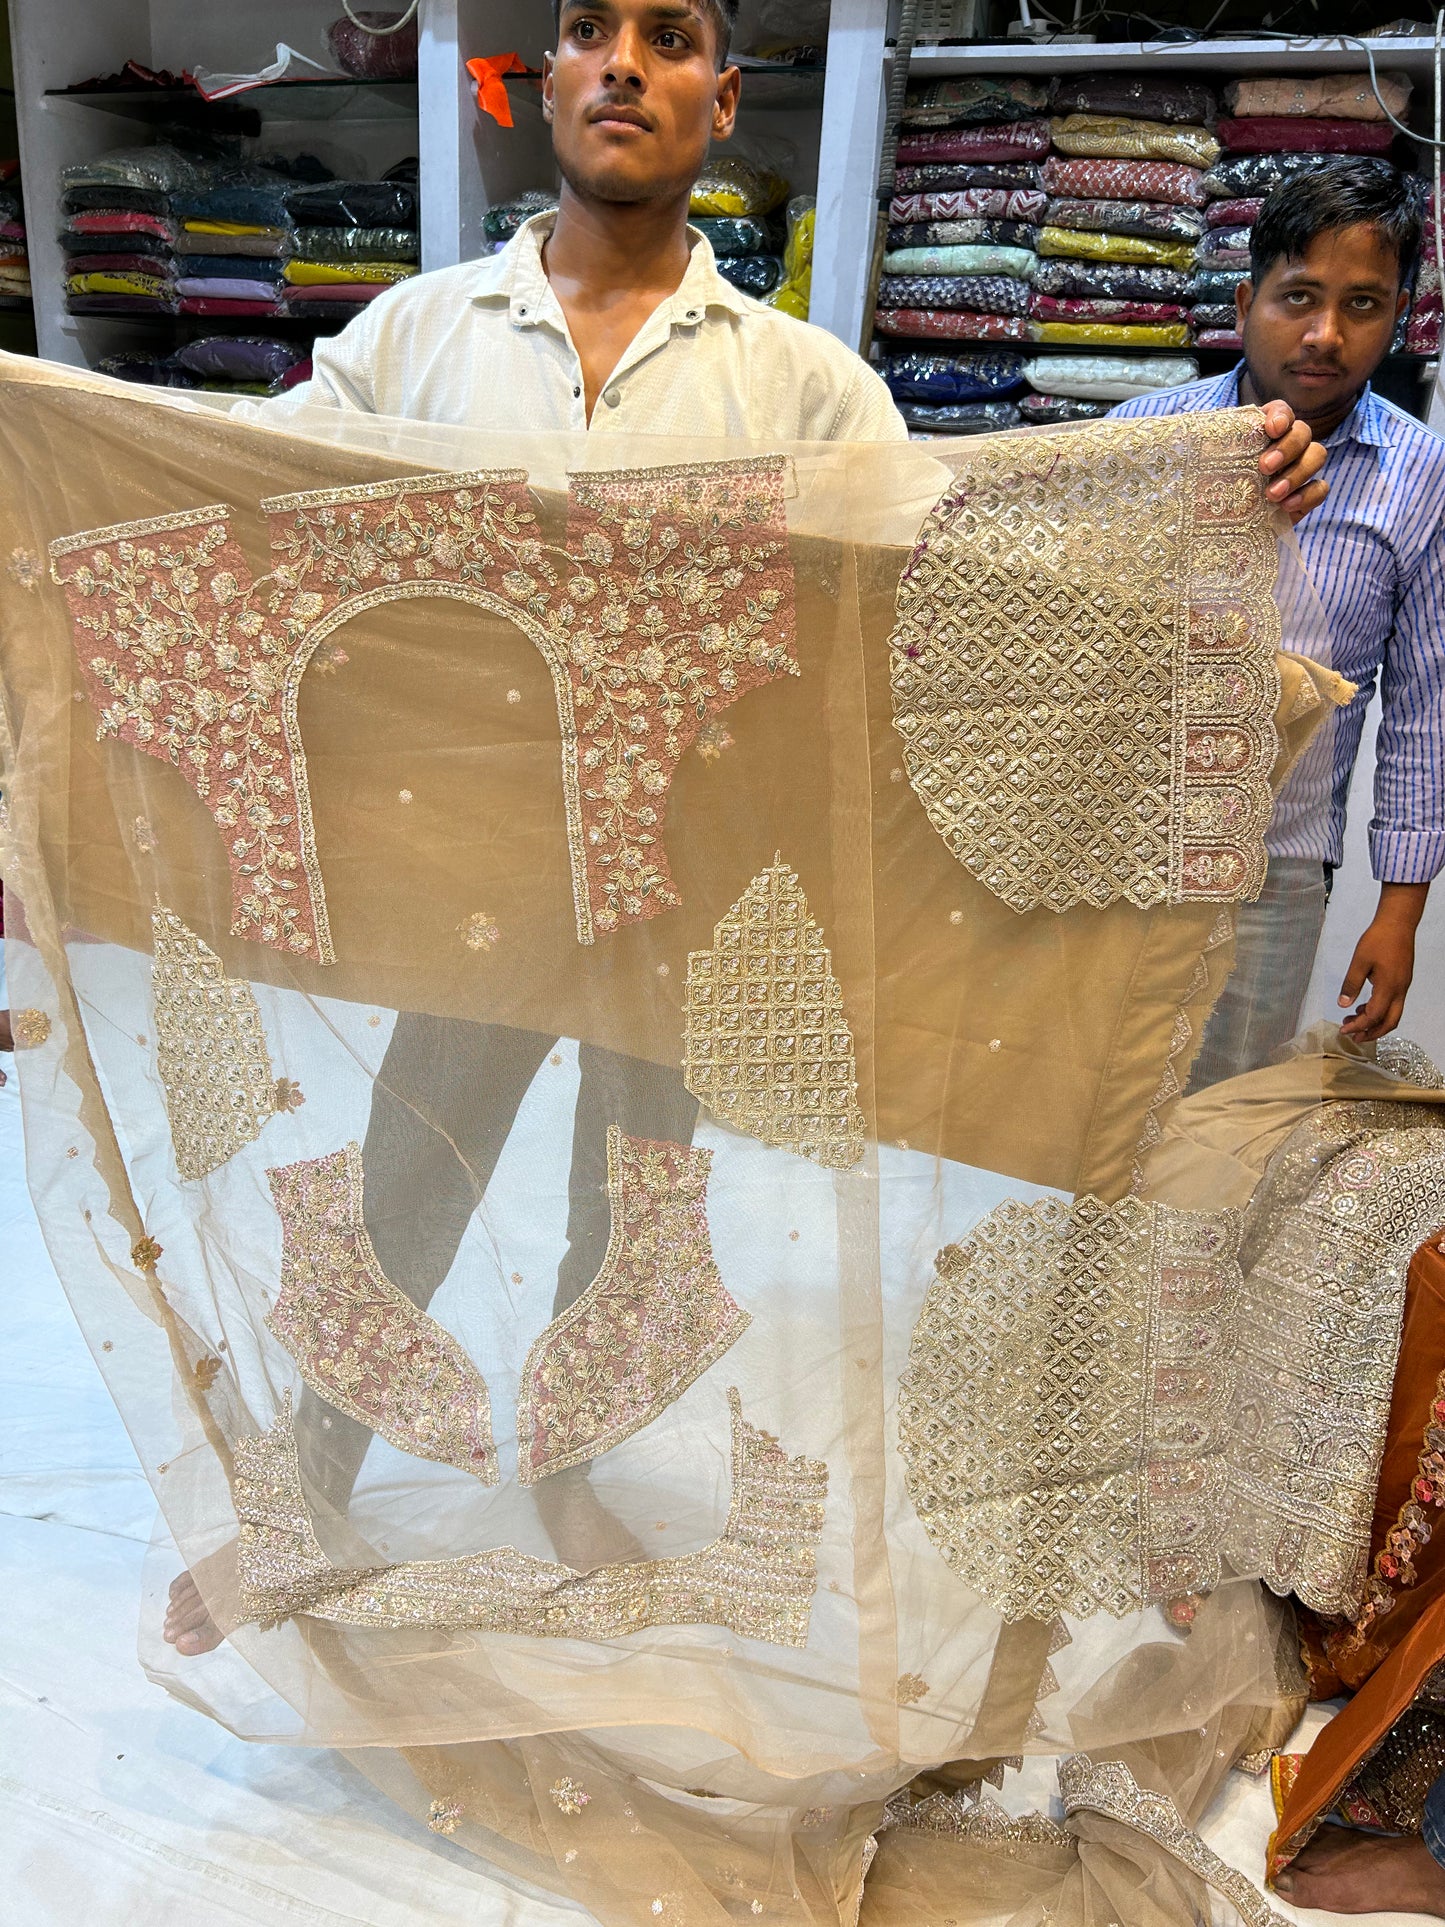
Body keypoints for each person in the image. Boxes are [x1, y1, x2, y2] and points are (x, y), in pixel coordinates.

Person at [161, 0, 1326, 1658]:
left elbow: (968, 574)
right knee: (407, 1176)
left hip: (688, 887)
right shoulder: (418, 340)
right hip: (479, 876)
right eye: (587, 29)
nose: (624, 61)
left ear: (724, 99)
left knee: (628, 1197)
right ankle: (301, 1480)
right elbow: (204, 476)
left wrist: (1203, 490)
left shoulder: (801, 383)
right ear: (539, 84)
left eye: (673, 33)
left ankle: (572, 1457)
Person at [1111, 159, 1444, 1086]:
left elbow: (1425, 709)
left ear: (1401, 319)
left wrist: (1398, 912)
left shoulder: (1421, 479)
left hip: (1276, 867)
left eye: (1363, 305)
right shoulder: (1147, 436)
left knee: (1221, 1130)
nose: (1323, 335)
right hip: (1114, 845)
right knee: (1083, 1117)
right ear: (1243, 298)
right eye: (1296, 296)